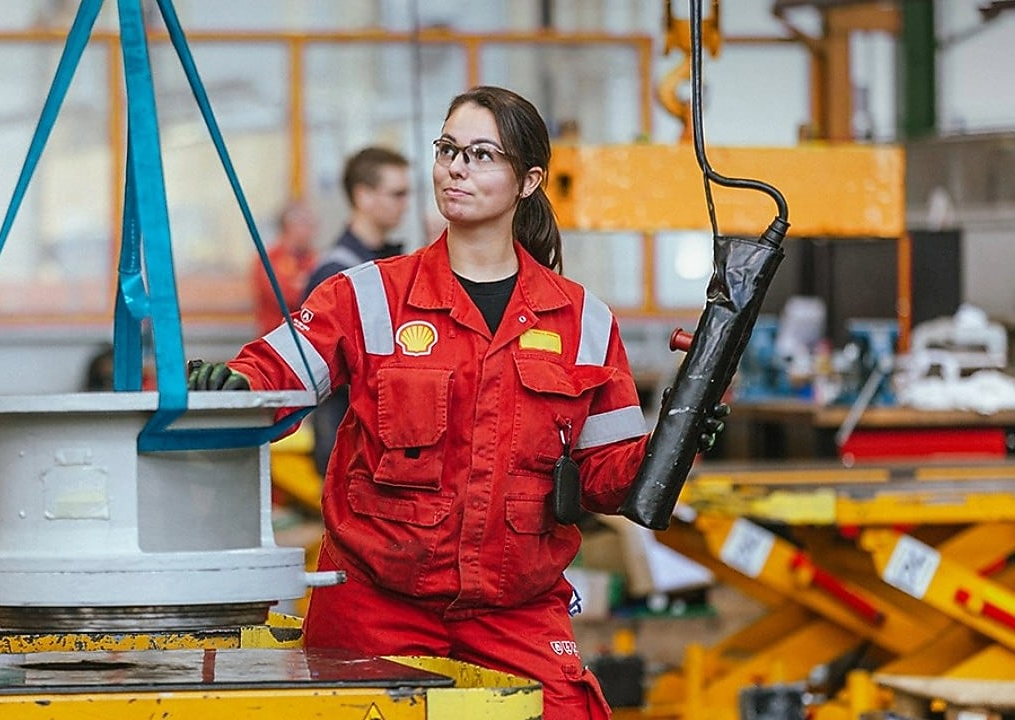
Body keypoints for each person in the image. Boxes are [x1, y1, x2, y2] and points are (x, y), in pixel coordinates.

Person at [188, 86, 726, 720]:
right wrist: (236, 389)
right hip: (375, 608)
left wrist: (677, 439)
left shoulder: (583, 321)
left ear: (528, 181)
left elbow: (606, 477)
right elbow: (275, 377)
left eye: (480, 154)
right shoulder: (367, 296)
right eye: (447, 149)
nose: (456, 167)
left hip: (514, 613)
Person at [304, 146, 411, 477]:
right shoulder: (338, 275)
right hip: (350, 448)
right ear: (363, 196)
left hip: (383, 446)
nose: (405, 204)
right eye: (397, 193)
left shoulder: (389, 268)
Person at [253, 200, 318, 336]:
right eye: (306, 225)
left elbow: (320, 295)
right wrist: (305, 284)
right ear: (289, 226)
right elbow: (286, 296)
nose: (312, 232)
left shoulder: (314, 258)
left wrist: (302, 283)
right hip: (274, 339)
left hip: (306, 338)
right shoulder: (269, 259)